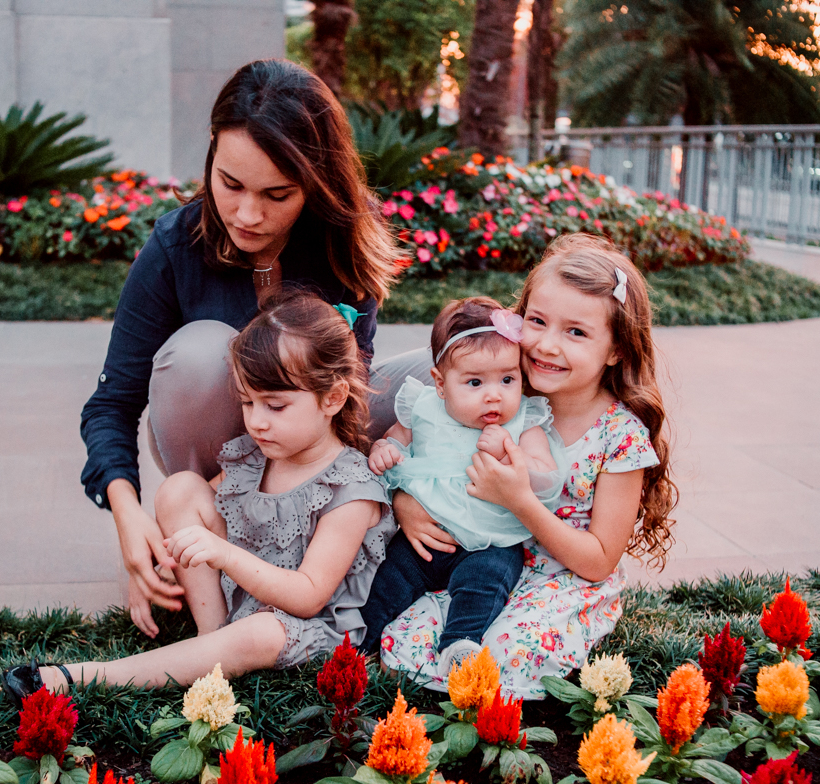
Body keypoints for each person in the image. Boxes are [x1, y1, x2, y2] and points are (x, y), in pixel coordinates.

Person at [78, 59, 426, 640]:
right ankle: (186, 541)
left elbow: (348, 392)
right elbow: (111, 405)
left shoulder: (342, 238)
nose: (246, 214)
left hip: (318, 443)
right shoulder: (175, 246)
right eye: (230, 183)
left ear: (316, 182)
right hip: (215, 464)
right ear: (212, 152)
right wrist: (130, 521)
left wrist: (401, 487)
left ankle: (406, 545)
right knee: (204, 351)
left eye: (277, 194)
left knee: (441, 374)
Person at [2, 293, 396, 699]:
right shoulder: (259, 455)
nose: (256, 422)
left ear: (332, 398)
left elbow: (308, 596)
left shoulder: (350, 488)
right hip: (248, 602)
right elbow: (194, 511)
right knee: (180, 490)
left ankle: (80, 676)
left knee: (260, 632)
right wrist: (154, 565)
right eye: (247, 402)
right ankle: (211, 636)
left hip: (307, 628)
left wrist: (223, 554)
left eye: (275, 406)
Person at [379, 234, 677, 697]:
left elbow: (598, 560)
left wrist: (520, 501)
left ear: (616, 349)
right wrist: (405, 504)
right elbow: (431, 449)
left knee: (499, 656)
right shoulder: (503, 394)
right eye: (536, 321)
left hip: (565, 576)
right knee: (405, 636)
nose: (547, 345)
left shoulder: (620, 437)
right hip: (482, 553)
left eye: (575, 332)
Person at [359, 297, 568, 676]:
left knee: (485, 581)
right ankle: (356, 648)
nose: (494, 395)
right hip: (427, 535)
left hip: (492, 541)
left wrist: (510, 457)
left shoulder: (524, 421)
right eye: (474, 382)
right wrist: (385, 449)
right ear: (440, 383)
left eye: (508, 379)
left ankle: (459, 643)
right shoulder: (422, 407)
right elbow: (395, 440)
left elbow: (546, 476)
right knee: (389, 578)